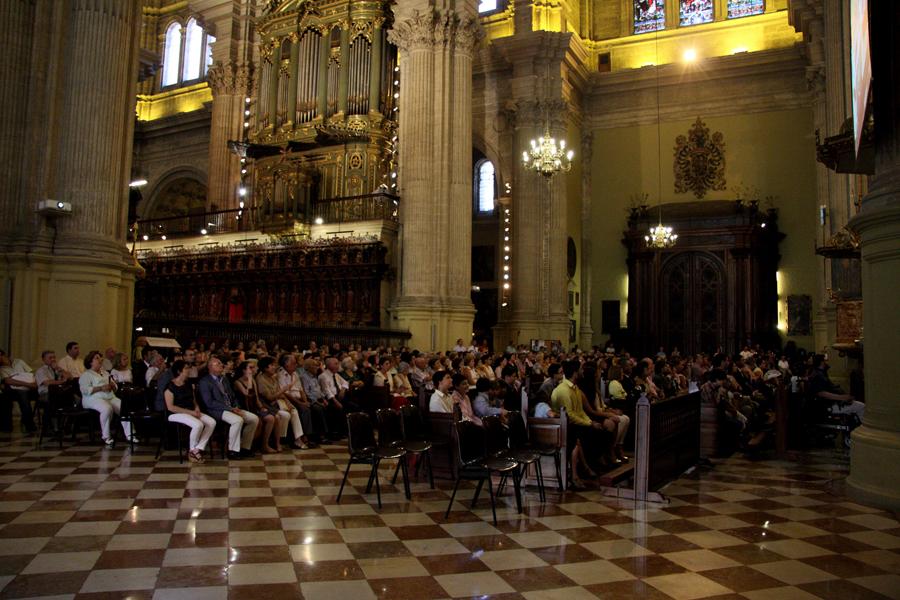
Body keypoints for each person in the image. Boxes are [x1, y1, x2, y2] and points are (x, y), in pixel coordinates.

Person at [199, 357, 259, 459]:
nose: (221, 365)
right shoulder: (205, 381)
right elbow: (209, 402)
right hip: (217, 410)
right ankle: (233, 451)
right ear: (210, 367)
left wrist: (236, 406)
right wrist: (230, 409)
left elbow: (232, 395)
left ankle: (245, 447)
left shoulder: (224, 379)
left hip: (231, 407)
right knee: (237, 420)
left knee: (254, 419)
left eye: (221, 363)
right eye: (218, 364)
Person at [164, 360, 216, 463]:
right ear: (179, 371)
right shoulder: (170, 386)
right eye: (186, 368)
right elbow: (171, 407)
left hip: (190, 410)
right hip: (175, 413)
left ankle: (197, 449)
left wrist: (196, 408)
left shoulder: (188, 384)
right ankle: (192, 451)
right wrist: (190, 413)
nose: (189, 370)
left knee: (211, 422)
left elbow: (193, 400)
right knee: (198, 425)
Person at [79, 350, 131, 448]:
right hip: (93, 398)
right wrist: (100, 388)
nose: (100, 360)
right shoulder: (86, 375)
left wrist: (113, 386)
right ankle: (106, 436)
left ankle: (130, 435)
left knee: (124, 408)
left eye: (100, 358)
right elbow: (84, 390)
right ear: (91, 362)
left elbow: (115, 386)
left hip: (109, 396)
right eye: (97, 358)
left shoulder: (105, 373)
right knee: (106, 408)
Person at [233, 360, 279, 453]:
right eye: (250, 368)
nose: (253, 369)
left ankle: (266, 444)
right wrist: (249, 378)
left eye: (253, 367)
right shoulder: (238, 382)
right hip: (244, 408)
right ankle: (248, 445)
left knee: (273, 417)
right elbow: (247, 393)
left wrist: (261, 407)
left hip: (254, 407)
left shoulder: (253, 380)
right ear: (243, 370)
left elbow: (256, 397)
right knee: (263, 420)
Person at [277, 354, 316, 449]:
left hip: (298, 398)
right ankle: (304, 437)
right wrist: (301, 403)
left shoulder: (295, 374)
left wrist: (305, 401)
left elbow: (301, 389)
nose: (296, 365)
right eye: (293, 363)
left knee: (311, 407)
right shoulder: (280, 375)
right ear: (286, 364)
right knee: (303, 410)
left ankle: (310, 436)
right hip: (289, 399)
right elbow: (285, 393)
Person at [255, 356, 293, 452]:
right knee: (278, 417)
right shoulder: (261, 379)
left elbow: (277, 394)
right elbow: (269, 397)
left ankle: (277, 443)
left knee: (288, 413)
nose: (274, 367)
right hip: (264, 405)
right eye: (271, 365)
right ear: (265, 368)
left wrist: (287, 402)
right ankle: (267, 444)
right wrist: (283, 390)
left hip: (274, 404)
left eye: (274, 365)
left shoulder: (272, 378)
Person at [0, 348, 37, 433]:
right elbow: (8, 381)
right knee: (22, 394)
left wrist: (32, 384)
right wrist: (27, 384)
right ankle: (29, 423)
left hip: (30, 387)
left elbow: (31, 373)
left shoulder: (19, 362)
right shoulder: (2, 369)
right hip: (15, 390)